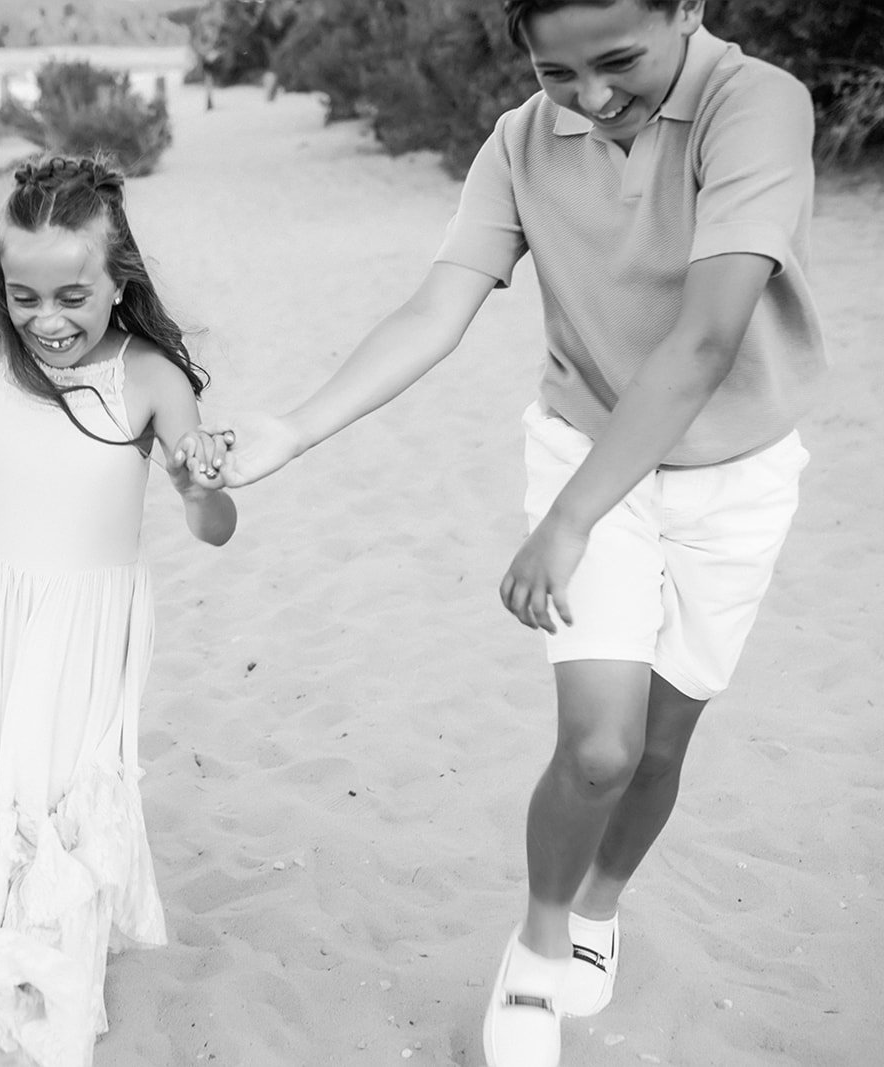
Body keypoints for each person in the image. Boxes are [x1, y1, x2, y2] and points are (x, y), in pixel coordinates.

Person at [197, 2, 824, 1065]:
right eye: (553, 71)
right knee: (599, 744)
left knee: (663, 744)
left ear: (687, 9)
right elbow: (437, 307)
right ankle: (537, 949)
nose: (587, 99)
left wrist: (568, 523)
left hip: (736, 473)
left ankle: (597, 913)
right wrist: (293, 428)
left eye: (616, 62)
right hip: (586, 452)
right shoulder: (516, 141)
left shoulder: (753, 103)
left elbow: (709, 333)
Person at [0, 155, 237, 1066]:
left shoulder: (153, 379)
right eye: (23, 296)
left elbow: (214, 525)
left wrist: (203, 486)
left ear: (121, 282)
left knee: (59, 792)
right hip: (3, 605)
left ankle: (47, 995)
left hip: (89, 624)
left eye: (72, 296)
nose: (47, 321)